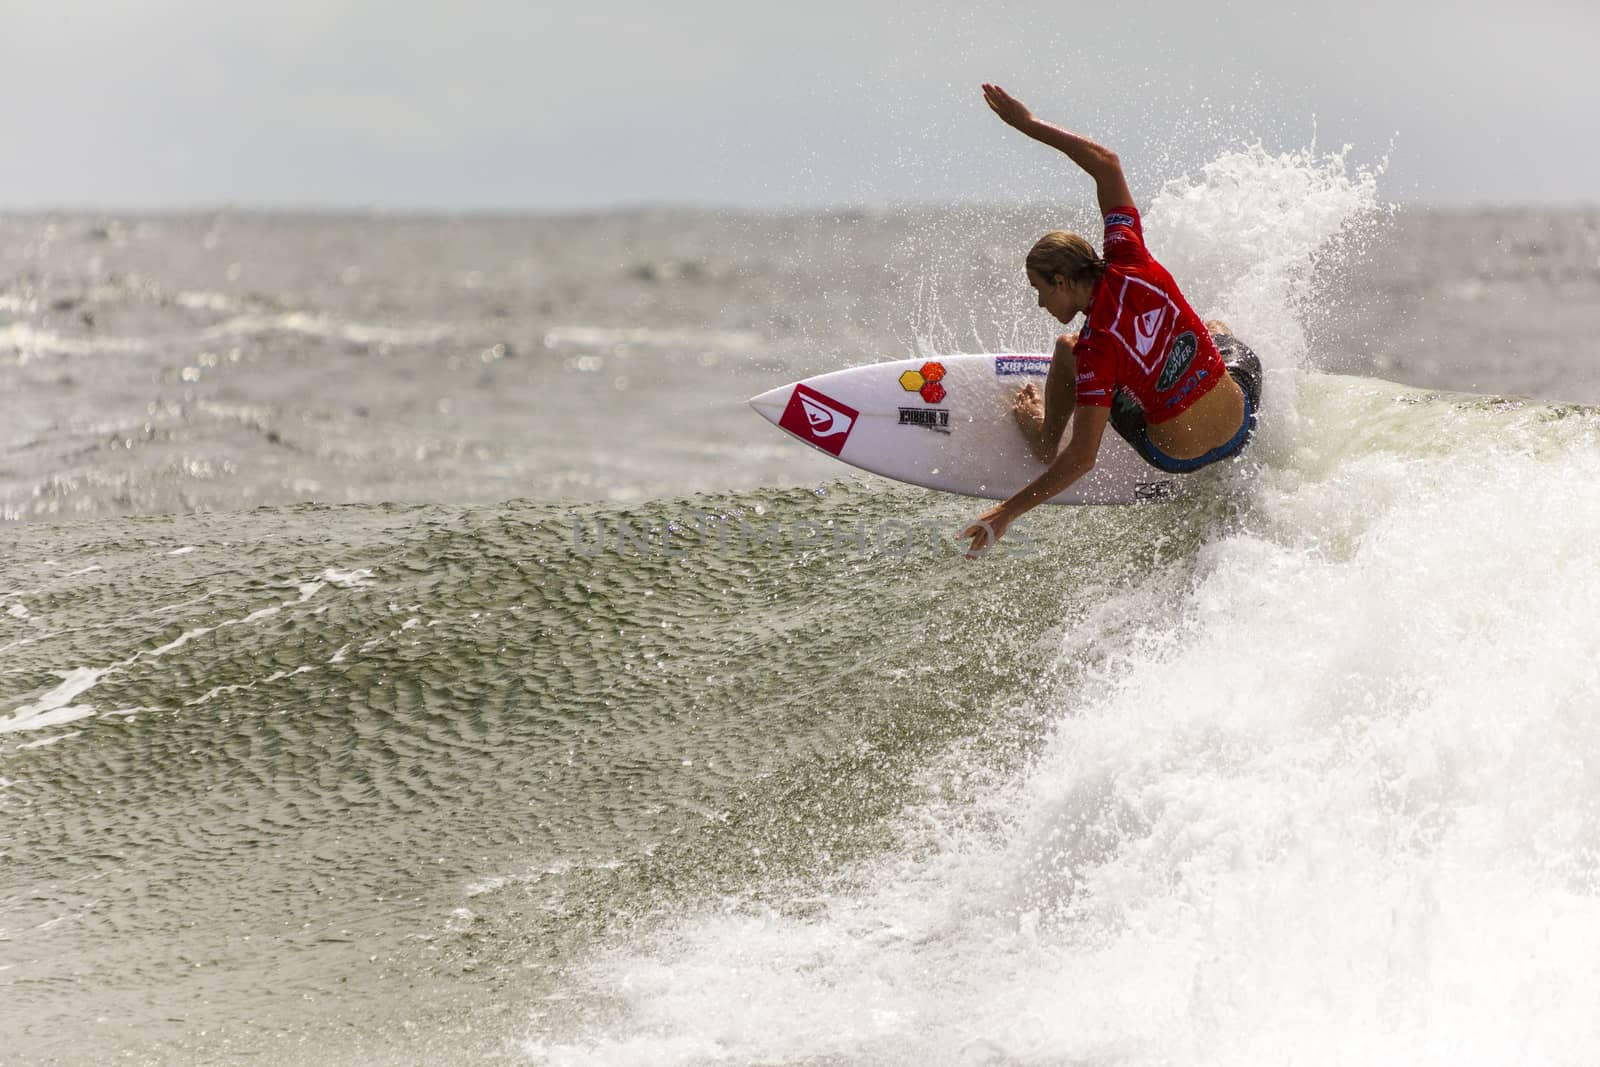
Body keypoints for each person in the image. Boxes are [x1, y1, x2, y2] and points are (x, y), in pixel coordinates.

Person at [963, 84, 1263, 558]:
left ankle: (1042, 435)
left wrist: (1006, 512)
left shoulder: (1093, 352)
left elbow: (1081, 459)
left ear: (1061, 281)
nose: (1040, 303)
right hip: (1242, 426)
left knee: (1064, 347)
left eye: (1040, 291)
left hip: (1175, 458)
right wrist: (1030, 125)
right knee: (1217, 329)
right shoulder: (1131, 257)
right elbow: (1106, 163)